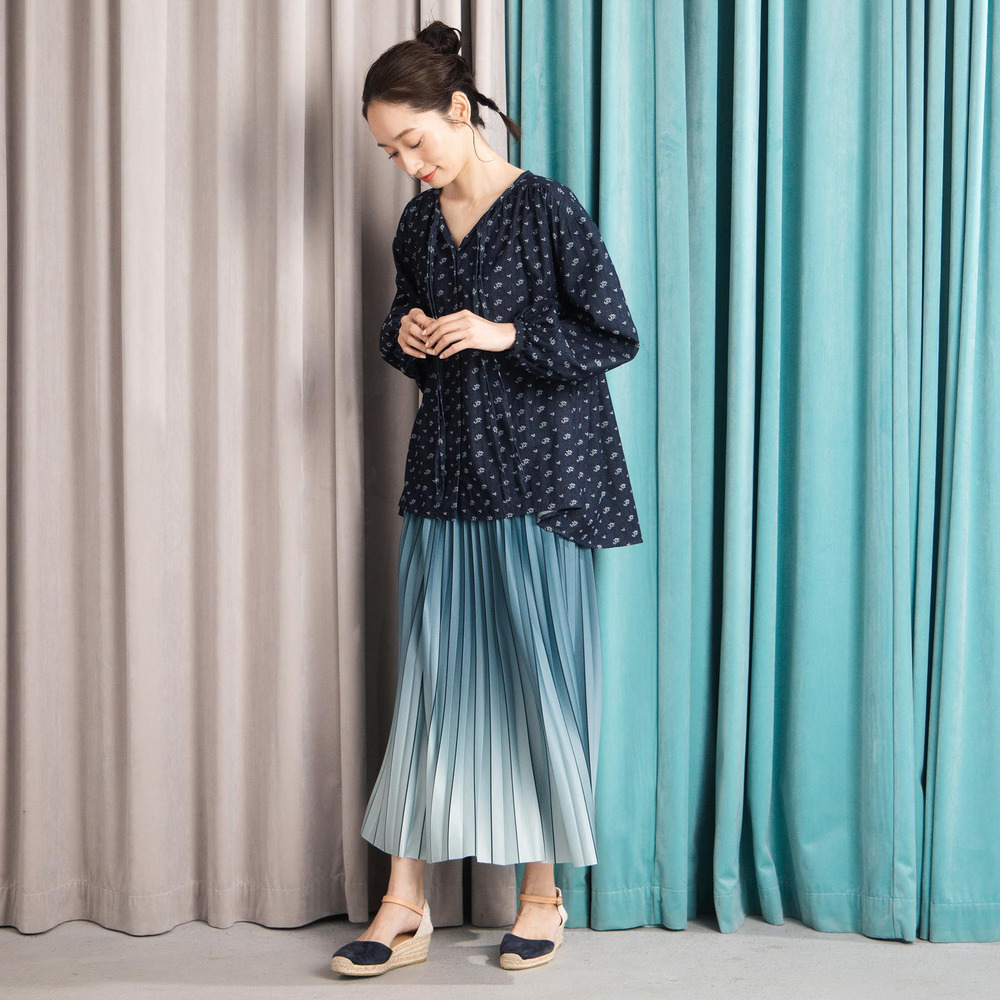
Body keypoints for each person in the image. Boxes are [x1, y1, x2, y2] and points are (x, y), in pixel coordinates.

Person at [331, 18, 643, 978]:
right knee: (430, 687)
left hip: (541, 484)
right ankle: (405, 902)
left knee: (534, 684)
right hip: (445, 476)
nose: (406, 164)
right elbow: (402, 328)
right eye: (389, 153)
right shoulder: (418, 224)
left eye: (412, 141)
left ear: (459, 111)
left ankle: (542, 896)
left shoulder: (547, 208)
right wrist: (408, 333)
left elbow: (615, 334)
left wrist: (505, 335)